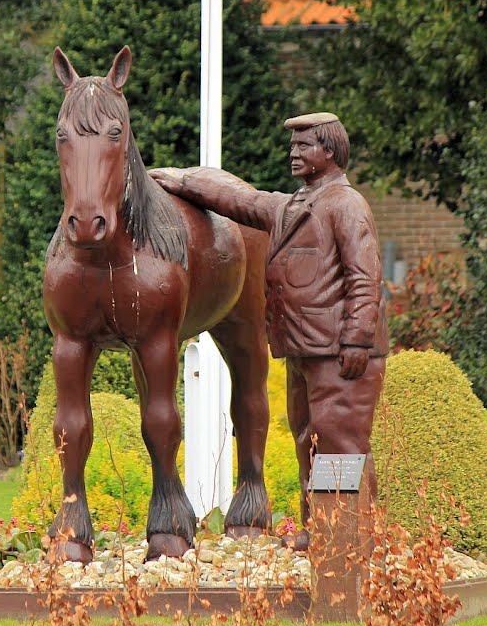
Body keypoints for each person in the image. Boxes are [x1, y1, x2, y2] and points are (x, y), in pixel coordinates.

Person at [148, 112, 389, 550]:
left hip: (340, 350)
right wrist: (180, 181)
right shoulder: (294, 205)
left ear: (329, 151)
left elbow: (364, 277)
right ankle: (322, 529)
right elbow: (241, 202)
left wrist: (357, 338)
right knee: (310, 437)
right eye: (292, 145)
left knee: (340, 440)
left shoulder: (346, 205)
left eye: (304, 145)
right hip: (305, 347)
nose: (293, 152)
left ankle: (349, 539)